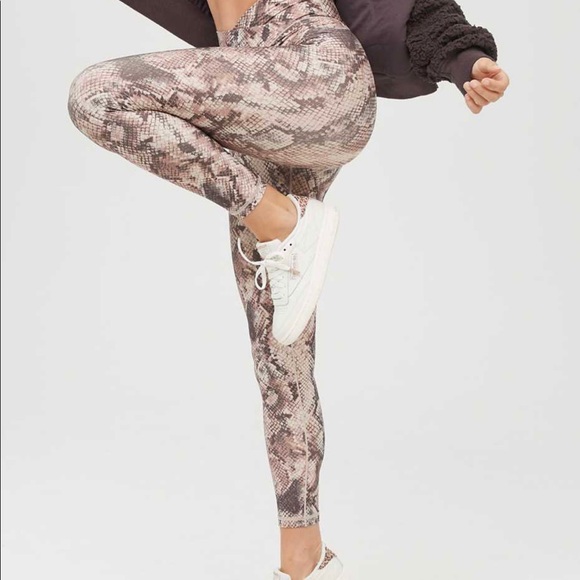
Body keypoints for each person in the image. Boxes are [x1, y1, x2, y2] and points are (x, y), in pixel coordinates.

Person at [67, 0, 510, 578]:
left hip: (313, 71)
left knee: (97, 94)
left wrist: (465, 60)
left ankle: (280, 220)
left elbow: (420, 11)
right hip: (248, 95)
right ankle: (305, 561)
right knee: (279, 351)